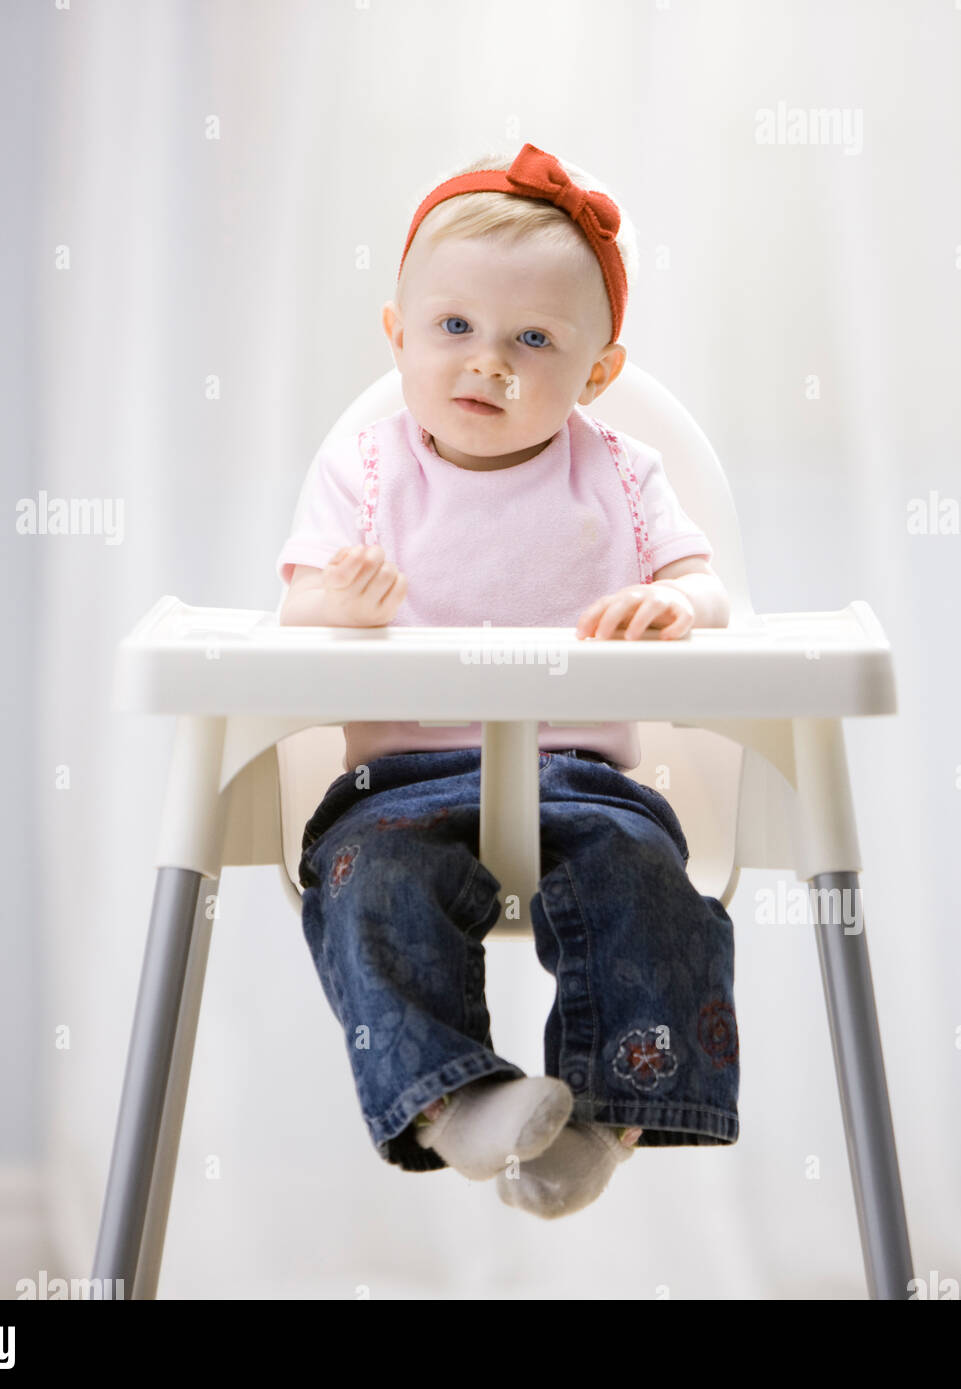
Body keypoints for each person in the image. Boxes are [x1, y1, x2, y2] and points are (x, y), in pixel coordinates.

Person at [276, 143, 739, 1219]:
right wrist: (340, 606)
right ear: (398, 335)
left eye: (533, 340)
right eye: (455, 330)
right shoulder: (367, 468)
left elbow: (705, 586)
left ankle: (605, 1119)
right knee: (369, 889)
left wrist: (675, 607)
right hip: (396, 790)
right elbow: (296, 611)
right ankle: (458, 1103)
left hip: (583, 781)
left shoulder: (620, 473)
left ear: (598, 370)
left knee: (647, 882)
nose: (488, 363)